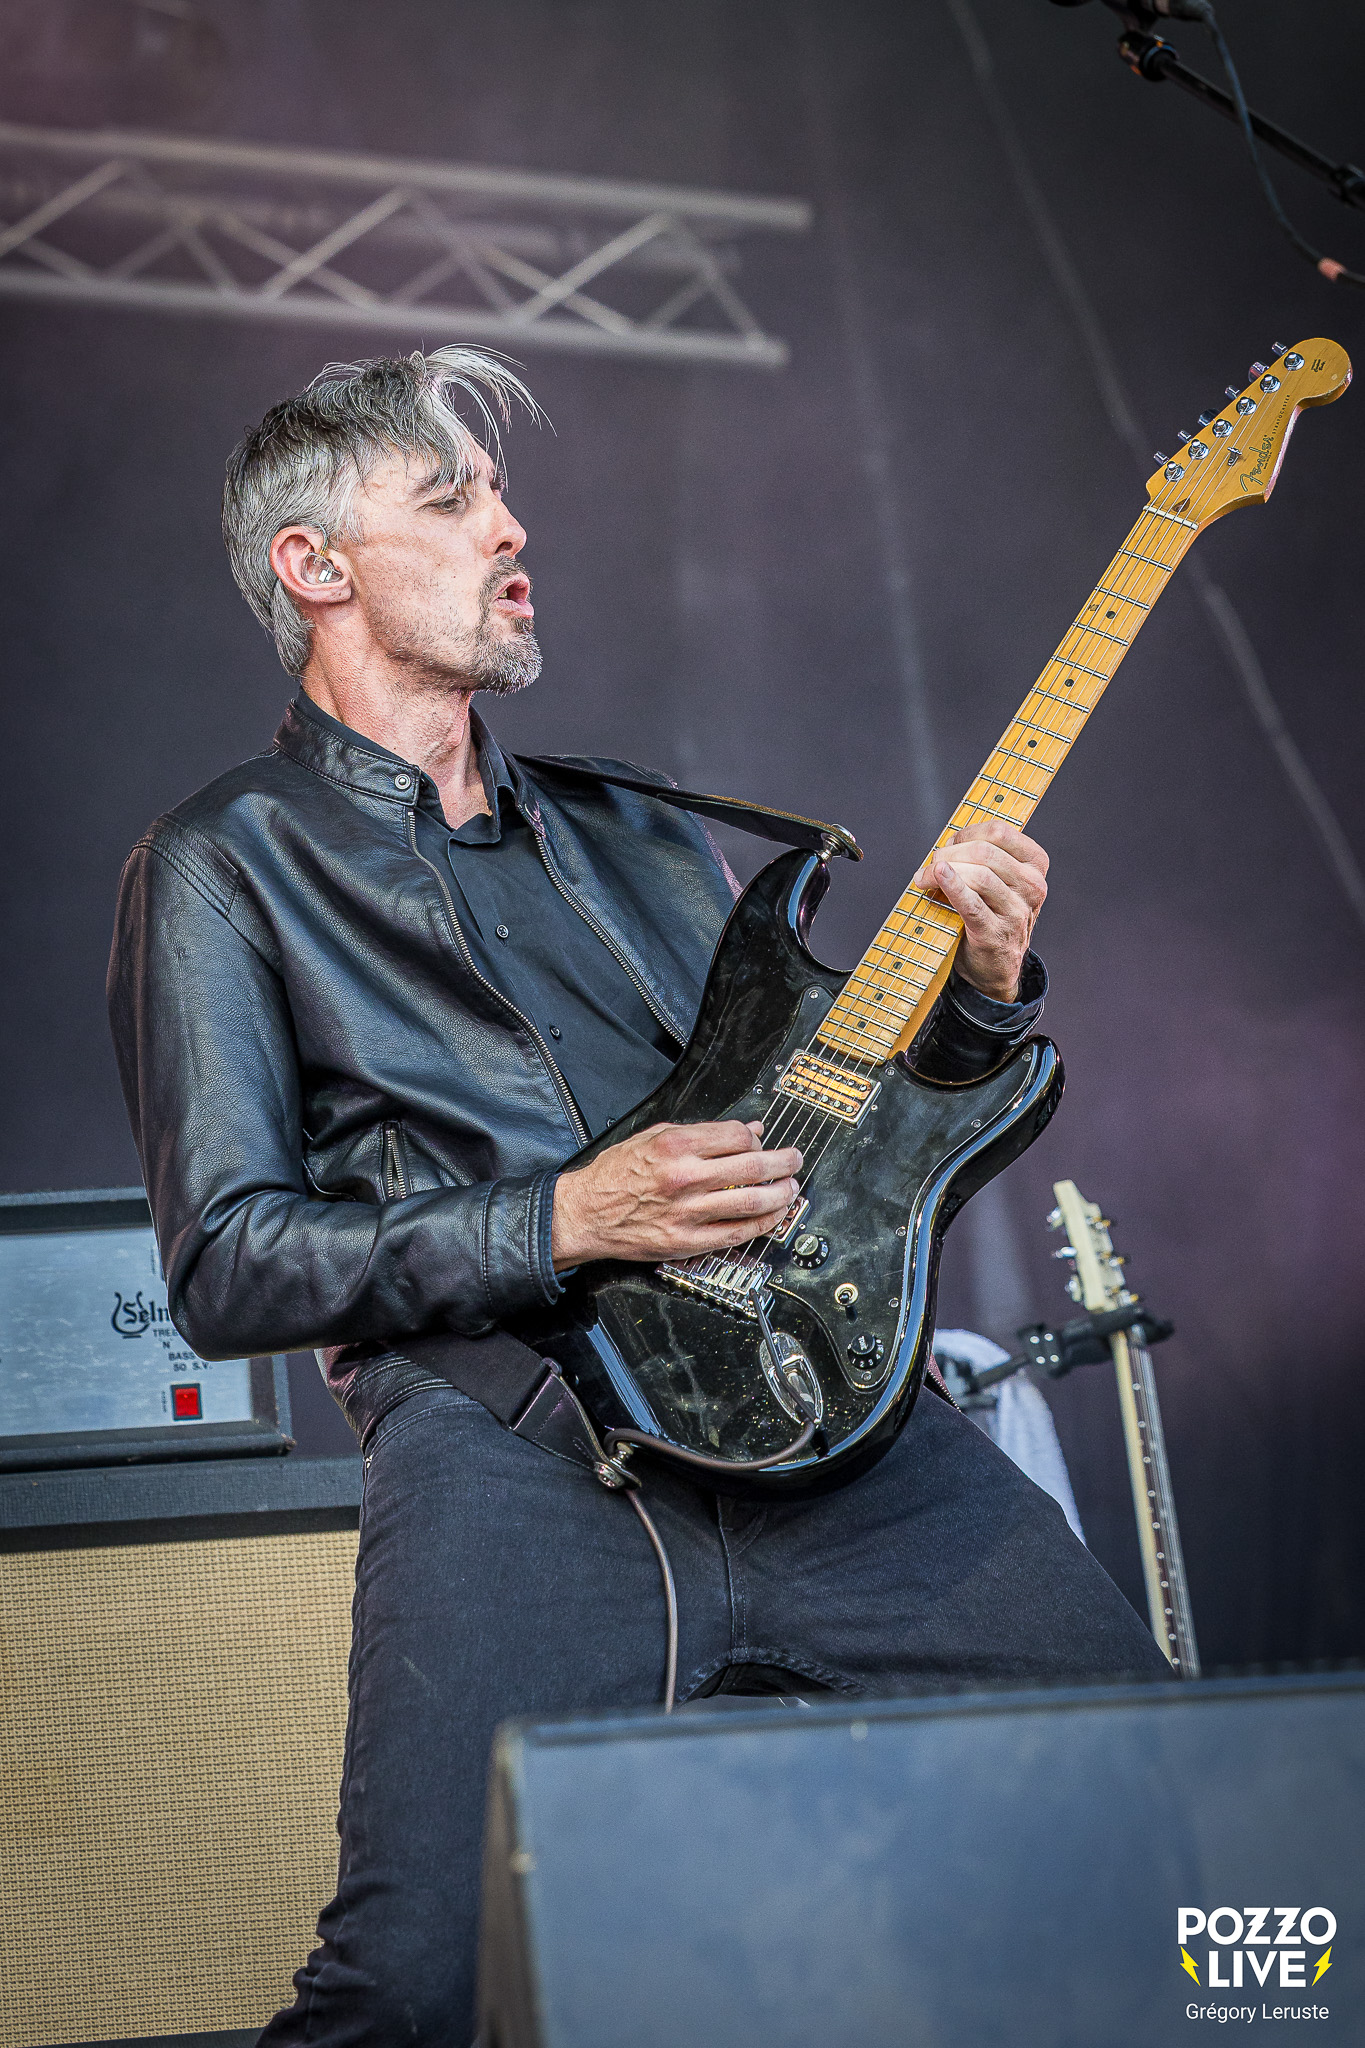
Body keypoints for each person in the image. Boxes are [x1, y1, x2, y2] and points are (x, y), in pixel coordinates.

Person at [108, 347, 1167, 2045]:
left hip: (831, 1435)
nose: (509, 526)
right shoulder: (223, 862)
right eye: (450, 499)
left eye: (502, 494)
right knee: (418, 1986)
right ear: (313, 567)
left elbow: (840, 1153)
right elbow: (229, 1265)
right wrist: (565, 1219)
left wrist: (976, 1005)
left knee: (1176, 1812)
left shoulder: (644, 835)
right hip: (519, 1458)